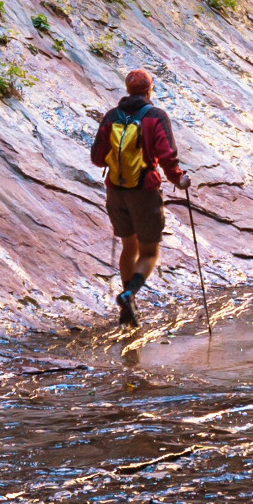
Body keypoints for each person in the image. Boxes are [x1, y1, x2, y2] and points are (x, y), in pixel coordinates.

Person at [88, 68, 187, 324]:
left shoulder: (111, 117)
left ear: (127, 89)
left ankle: (126, 311)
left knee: (128, 246)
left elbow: (97, 159)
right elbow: (167, 155)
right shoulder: (155, 117)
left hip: (115, 192)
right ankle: (129, 295)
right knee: (149, 252)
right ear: (149, 90)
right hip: (144, 191)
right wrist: (179, 178)